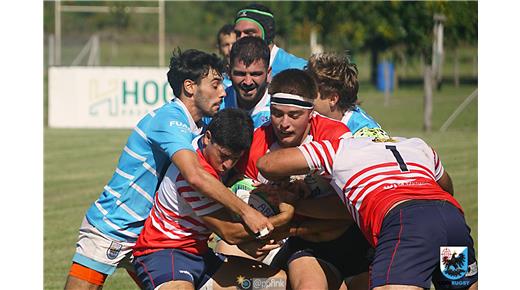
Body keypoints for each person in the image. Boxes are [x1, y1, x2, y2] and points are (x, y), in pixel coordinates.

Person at [64, 49, 273, 290]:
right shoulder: (170, 119)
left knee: (267, 284)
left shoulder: (198, 125)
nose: (223, 92)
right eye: (215, 85)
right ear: (190, 87)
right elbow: (195, 175)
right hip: (114, 226)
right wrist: (246, 211)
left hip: (150, 234)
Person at [256, 128, 478, 290]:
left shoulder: (342, 149)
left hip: (405, 224)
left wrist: (290, 192)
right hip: (451, 221)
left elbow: (268, 164)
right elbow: (446, 187)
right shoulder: (416, 145)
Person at [218, 69, 369, 290]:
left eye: (294, 115)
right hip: (291, 242)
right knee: (228, 262)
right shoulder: (258, 141)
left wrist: (290, 204)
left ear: (311, 114)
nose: (283, 123)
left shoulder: (335, 137)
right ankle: (277, 283)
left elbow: (349, 210)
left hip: (344, 238)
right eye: (277, 113)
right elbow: (239, 188)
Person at [132, 108, 292, 290]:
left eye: (235, 158)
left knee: (278, 283)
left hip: (202, 258)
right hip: (165, 254)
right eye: (223, 156)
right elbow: (230, 233)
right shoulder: (194, 175)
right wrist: (283, 219)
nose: (227, 165)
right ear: (207, 137)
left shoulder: (205, 148)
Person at [305, 52, 381, 134]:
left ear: (333, 99)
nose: (303, 98)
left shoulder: (364, 135)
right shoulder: (309, 122)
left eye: (310, 93)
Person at [234, 3, 307, 77]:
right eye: (238, 34)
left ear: (267, 35)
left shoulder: (298, 69)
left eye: (249, 33)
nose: (241, 38)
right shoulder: (234, 70)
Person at [216, 24, 237, 88]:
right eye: (226, 45)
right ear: (219, 48)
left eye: (234, 44)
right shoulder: (214, 75)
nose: (230, 49)